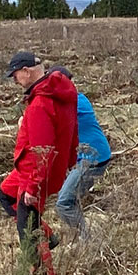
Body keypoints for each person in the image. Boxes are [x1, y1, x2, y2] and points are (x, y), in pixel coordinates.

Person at [0, 51, 78, 275]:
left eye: (15, 75)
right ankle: (49, 237)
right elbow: (72, 133)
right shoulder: (59, 94)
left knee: (28, 231)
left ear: (27, 71)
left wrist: (32, 188)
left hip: (35, 176)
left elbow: (42, 150)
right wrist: (69, 162)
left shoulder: (41, 103)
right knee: (4, 194)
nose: (14, 80)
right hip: (35, 171)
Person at [47, 65, 111, 238]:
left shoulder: (75, 101)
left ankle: (89, 239)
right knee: (70, 198)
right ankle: (86, 235)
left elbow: (54, 121)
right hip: (88, 156)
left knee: (64, 203)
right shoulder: (73, 99)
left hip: (92, 159)